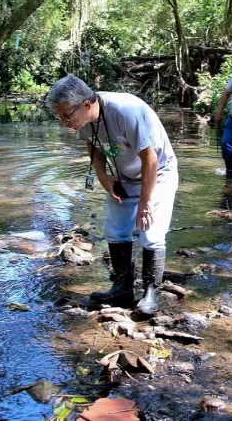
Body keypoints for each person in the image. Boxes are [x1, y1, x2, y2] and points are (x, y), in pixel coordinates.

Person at [46, 75, 178, 316]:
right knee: (116, 231)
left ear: (86, 104)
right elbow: (94, 146)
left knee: (151, 233)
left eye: (66, 116)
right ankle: (122, 288)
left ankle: (150, 293)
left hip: (158, 173)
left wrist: (145, 203)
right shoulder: (83, 120)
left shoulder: (125, 111)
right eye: (60, 117)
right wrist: (104, 177)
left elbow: (150, 159)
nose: (64, 122)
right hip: (124, 175)